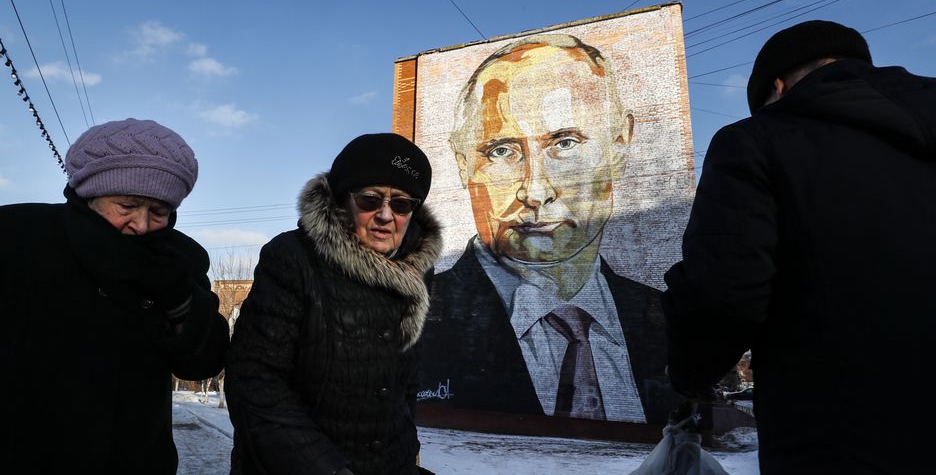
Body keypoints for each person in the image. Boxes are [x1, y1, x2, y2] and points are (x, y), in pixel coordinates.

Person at [662, 20, 936, 473]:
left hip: (842, 439)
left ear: (778, 87)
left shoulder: (754, 143)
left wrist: (689, 374)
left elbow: (725, 293)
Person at [419, 34, 674, 424]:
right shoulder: (417, 320)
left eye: (565, 143)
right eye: (501, 151)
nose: (535, 191)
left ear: (619, 146)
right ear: (463, 163)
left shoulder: (664, 319)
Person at [0, 118, 230, 473]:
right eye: (127, 206)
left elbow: (201, 363)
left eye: (159, 212)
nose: (142, 224)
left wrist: (181, 302)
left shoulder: (181, 260)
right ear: (91, 194)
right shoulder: (17, 237)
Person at [225, 133, 442, 475]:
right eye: (370, 200)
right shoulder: (294, 259)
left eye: (401, 204)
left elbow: (404, 387)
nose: (386, 215)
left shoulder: (415, 276)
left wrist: (404, 456)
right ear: (343, 201)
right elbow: (254, 382)